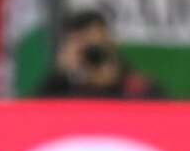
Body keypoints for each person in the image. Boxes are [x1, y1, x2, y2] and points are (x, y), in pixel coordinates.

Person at [34, 8, 163, 98]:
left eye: (95, 47)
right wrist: (60, 75)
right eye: (82, 45)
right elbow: (32, 114)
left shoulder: (136, 86)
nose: (90, 54)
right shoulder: (60, 87)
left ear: (109, 42)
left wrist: (112, 85)